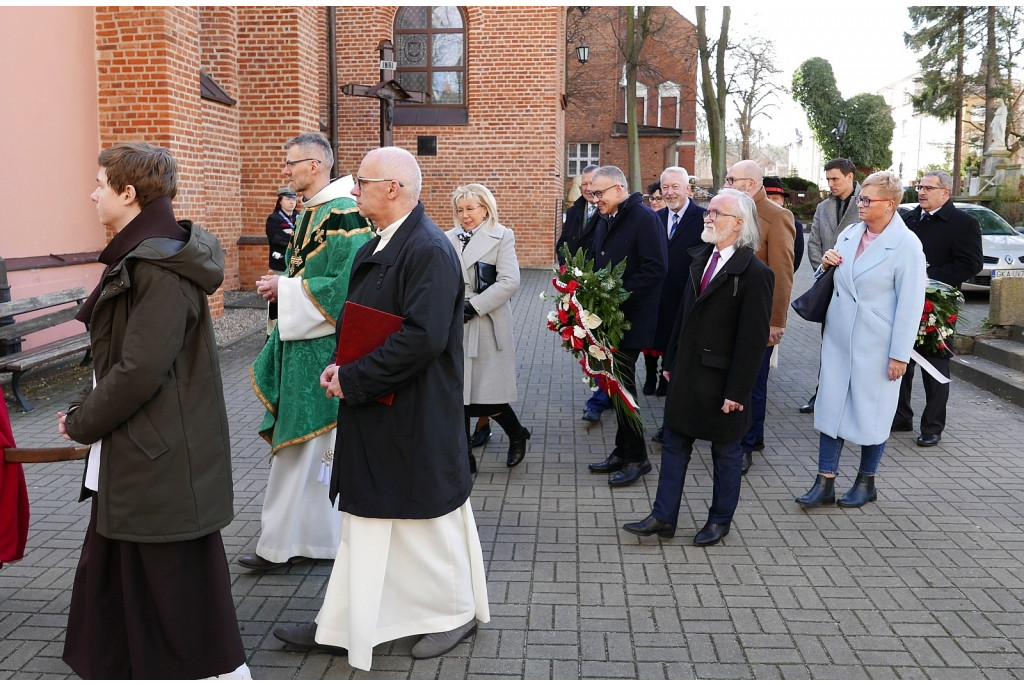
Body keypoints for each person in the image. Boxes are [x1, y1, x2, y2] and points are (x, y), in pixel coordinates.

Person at [273, 146, 489, 670]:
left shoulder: (428, 249)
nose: (354, 190)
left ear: (392, 188)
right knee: (367, 522)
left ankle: (453, 611)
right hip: (380, 408)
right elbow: (365, 319)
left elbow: (423, 338)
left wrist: (354, 377)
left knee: (426, 520)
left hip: (414, 415)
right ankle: (347, 621)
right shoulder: (386, 240)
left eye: (362, 182)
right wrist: (338, 364)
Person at [57, 142, 248, 679]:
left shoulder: (158, 265)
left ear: (128, 193)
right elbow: (123, 360)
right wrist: (87, 407)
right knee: (129, 572)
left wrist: (83, 420)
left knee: (173, 583)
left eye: (100, 183)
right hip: (143, 445)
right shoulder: (145, 255)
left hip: (157, 448)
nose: (92, 194)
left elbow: (140, 370)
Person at [243, 132, 373, 571]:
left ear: (316, 165)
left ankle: (305, 541)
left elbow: (349, 285)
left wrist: (286, 288)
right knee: (302, 449)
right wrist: (282, 286)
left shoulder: (343, 213)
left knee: (318, 449)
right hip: (303, 342)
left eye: (291, 162)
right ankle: (290, 540)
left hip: (323, 349)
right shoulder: (314, 210)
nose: (286, 170)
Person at [623, 189, 774, 546]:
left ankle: (720, 521)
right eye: (709, 212)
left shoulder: (755, 273)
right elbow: (682, 318)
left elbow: (753, 341)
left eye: (717, 213)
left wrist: (737, 392)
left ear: (738, 224)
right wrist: (669, 362)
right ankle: (663, 516)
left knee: (725, 452)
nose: (708, 217)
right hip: (687, 372)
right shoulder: (700, 257)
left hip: (723, 380)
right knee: (675, 443)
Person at [795, 171, 926, 509]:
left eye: (868, 200)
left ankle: (866, 482)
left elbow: (910, 305)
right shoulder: (851, 233)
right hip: (839, 338)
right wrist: (825, 264)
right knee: (830, 408)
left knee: (873, 414)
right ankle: (825, 482)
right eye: (860, 199)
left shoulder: (907, 245)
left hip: (877, 345)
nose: (861, 205)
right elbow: (829, 279)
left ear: (891, 205)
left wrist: (899, 355)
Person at [585, 165, 668, 487]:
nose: (595, 199)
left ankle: (638, 458)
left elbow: (655, 268)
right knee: (615, 385)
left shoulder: (644, 219)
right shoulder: (606, 218)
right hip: (608, 319)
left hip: (630, 319)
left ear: (619, 189)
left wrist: (614, 296)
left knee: (622, 388)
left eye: (599, 193)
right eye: (592, 193)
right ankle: (622, 450)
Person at [894, 170, 983, 446]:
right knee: (901, 359)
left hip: (938, 305)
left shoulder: (963, 223)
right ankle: (900, 417)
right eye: (920, 186)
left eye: (929, 188)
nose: (921, 192)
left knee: (934, 365)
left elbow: (971, 264)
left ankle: (932, 426)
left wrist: (931, 278)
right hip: (903, 300)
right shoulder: (907, 219)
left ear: (945, 193)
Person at [447, 183, 530, 472]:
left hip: (486, 321)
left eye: (471, 208)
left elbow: (510, 281)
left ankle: (517, 433)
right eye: (460, 210)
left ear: (485, 208)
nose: (465, 215)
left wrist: (473, 307)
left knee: (487, 395)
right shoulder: (448, 238)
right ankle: (464, 454)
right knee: (458, 394)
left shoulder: (502, 235)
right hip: (455, 323)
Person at [723, 160, 796, 475]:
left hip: (758, 316)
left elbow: (782, 272)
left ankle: (748, 444)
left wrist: (776, 321)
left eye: (731, 179)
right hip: (728, 313)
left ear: (750, 183)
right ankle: (739, 434)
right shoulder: (731, 209)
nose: (726, 182)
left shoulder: (776, 216)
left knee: (753, 382)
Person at [648, 167, 705, 443]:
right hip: (660, 306)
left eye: (675, 187)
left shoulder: (704, 218)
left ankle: (676, 425)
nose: (669, 192)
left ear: (687, 188)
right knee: (668, 365)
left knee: (682, 369)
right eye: (665, 187)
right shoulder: (654, 218)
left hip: (690, 307)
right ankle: (673, 423)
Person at [800, 158, 861, 414]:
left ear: (850, 177)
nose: (830, 184)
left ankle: (853, 400)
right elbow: (813, 243)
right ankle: (822, 395)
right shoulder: (823, 206)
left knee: (856, 348)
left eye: (835, 179)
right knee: (829, 344)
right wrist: (824, 271)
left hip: (858, 290)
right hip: (829, 287)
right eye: (827, 179)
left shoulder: (866, 203)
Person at [763, 176, 804, 272]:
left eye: (775, 198)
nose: (770, 202)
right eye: (767, 198)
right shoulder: (751, 222)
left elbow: (796, 256)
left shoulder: (794, 225)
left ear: (782, 201)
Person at [266, 186, 298, 273]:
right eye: (288, 199)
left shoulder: (300, 217)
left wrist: (291, 233)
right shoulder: (274, 218)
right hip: (281, 263)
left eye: (294, 199)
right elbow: (277, 239)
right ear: (280, 201)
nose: (292, 202)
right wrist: (297, 235)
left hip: (298, 263)